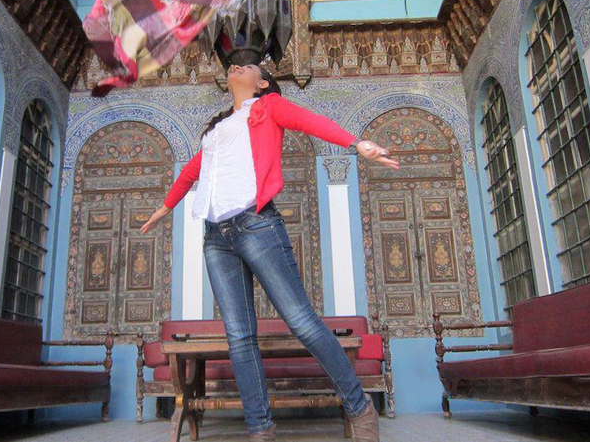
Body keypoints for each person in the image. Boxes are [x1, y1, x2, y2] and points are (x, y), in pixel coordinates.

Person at [141, 64, 399, 441]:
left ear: (261, 83)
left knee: (302, 321)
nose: (236, 66)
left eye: (248, 66)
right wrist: (165, 207)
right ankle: (260, 430)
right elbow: (192, 172)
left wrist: (356, 143)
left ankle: (360, 406)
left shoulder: (269, 107)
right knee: (239, 337)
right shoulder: (215, 132)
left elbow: (310, 121)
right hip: (216, 236)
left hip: (257, 224)